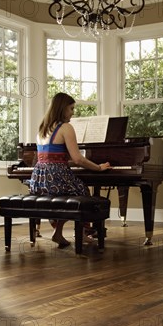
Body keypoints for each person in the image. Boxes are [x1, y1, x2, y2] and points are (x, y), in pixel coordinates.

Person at [29, 92, 111, 247]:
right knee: (82, 191)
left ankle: (58, 232)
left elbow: (53, 156)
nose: (73, 112)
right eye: (71, 108)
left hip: (39, 179)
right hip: (55, 177)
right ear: (62, 108)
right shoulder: (66, 127)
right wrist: (99, 167)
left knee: (60, 197)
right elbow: (78, 159)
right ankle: (83, 233)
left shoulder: (42, 129)